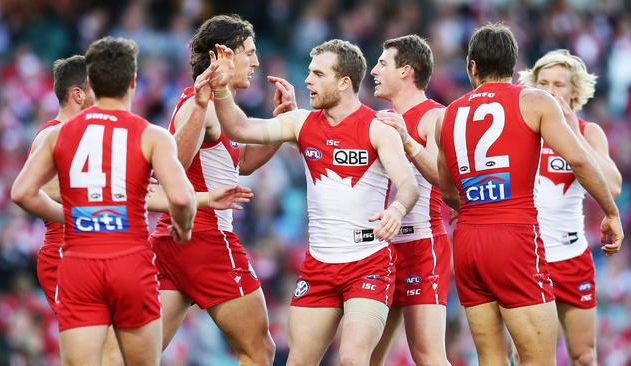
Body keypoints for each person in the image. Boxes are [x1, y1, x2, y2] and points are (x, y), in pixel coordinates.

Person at [28, 54, 254, 366]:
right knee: (97, 354)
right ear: (79, 94)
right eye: (100, 88)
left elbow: (135, 195)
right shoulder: (52, 135)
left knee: (118, 352)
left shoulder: (101, 136)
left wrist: (202, 199)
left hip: (109, 255)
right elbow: (40, 191)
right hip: (67, 255)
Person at [208, 38, 419, 366]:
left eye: (318, 74)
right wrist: (220, 89)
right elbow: (239, 127)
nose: (307, 80)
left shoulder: (378, 127)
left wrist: (397, 209)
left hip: (368, 262)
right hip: (319, 266)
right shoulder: (301, 123)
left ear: (344, 82)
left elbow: (408, 185)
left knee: (351, 359)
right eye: (309, 72)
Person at [435, 24, 623, 365]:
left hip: (469, 240)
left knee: (492, 356)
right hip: (517, 240)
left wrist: (474, 205)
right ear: (515, 67)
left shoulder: (448, 114)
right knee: (537, 359)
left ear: (472, 67)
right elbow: (579, 161)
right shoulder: (531, 105)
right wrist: (612, 213)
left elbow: (447, 188)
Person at [11, 36, 198, 366]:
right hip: (126, 256)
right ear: (133, 82)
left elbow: (22, 192)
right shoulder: (148, 134)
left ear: (93, 84)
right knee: (123, 357)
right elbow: (179, 198)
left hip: (78, 258)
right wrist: (183, 227)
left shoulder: (60, 135)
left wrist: (78, 216)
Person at [149, 14, 290, 365]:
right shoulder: (200, 104)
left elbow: (240, 163)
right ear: (224, 54)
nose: (256, 62)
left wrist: (280, 124)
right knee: (259, 351)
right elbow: (173, 165)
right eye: (250, 53)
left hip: (173, 242)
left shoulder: (213, 105)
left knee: (141, 356)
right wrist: (200, 104)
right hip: (207, 240)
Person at [519, 49, 623, 365]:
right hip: (528, 257)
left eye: (559, 85)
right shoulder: (522, 130)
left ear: (574, 90)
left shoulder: (588, 133)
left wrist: (571, 132)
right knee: (531, 357)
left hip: (572, 255)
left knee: (584, 356)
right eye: (545, 83)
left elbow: (613, 186)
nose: (551, 91)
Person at [368, 35, 451, 366]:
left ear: (406, 71)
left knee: (427, 355)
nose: (373, 71)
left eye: (382, 64)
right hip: (380, 249)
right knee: (362, 356)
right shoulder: (377, 119)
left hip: (421, 244)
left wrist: (406, 140)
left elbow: (443, 181)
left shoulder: (435, 116)